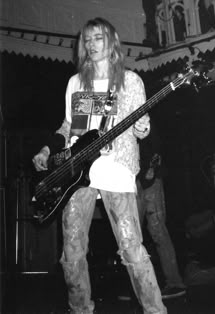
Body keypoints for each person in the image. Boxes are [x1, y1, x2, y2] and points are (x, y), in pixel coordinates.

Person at [32, 17, 167, 314]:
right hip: (76, 172)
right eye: (87, 39)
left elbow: (139, 126)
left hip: (116, 170)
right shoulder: (76, 82)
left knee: (132, 248)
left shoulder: (130, 81)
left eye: (98, 38)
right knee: (72, 251)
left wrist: (143, 129)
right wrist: (47, 147)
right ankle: (80, 309)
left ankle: (156, 311)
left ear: (111, 43)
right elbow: (70, 126)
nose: (92, 45)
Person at [136, 124, 186, 299]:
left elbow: (157, 145)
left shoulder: (143, 118)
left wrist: (152, 168)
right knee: (133, 236)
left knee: (158, 232)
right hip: (133, 182)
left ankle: (175, 283)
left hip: (150, 181)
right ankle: (140, 288)